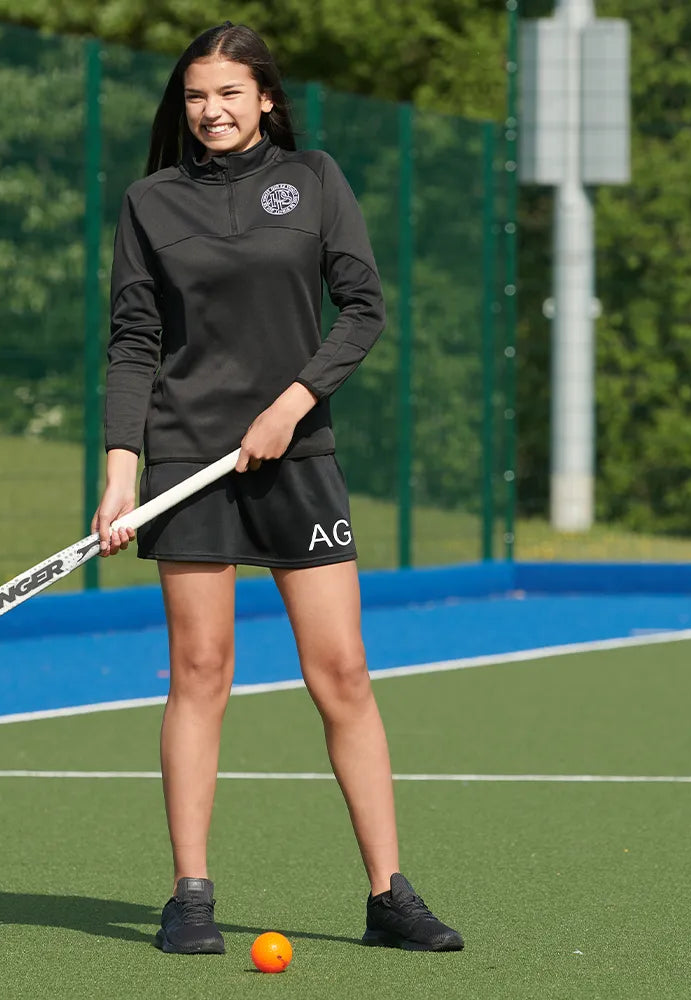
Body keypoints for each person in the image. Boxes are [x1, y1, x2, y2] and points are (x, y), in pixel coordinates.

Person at [92, 22, 463, 956]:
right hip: (186, 463)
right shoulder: (149, 202)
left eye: (228, 94)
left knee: (340, 672)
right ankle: (191, 894)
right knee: (201, 672)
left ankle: (388, 896)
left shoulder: (318, 181)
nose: (210, 111)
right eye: (194, 97)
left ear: (265, 99)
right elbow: (134, 341)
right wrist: (120, 469)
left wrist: (290, 404)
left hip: (295, 458)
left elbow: (364, 307)